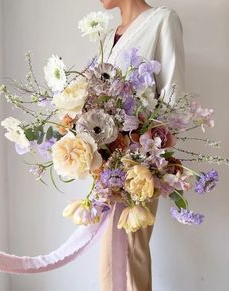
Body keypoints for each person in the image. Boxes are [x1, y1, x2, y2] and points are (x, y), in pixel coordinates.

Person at [99, 1, 185, 290]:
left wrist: (148, 157)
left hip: (140, 166)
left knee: (130, 256)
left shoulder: (162, 21)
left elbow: (173, 100)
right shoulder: (109, 34)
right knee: (111, 260)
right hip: (105, 168)